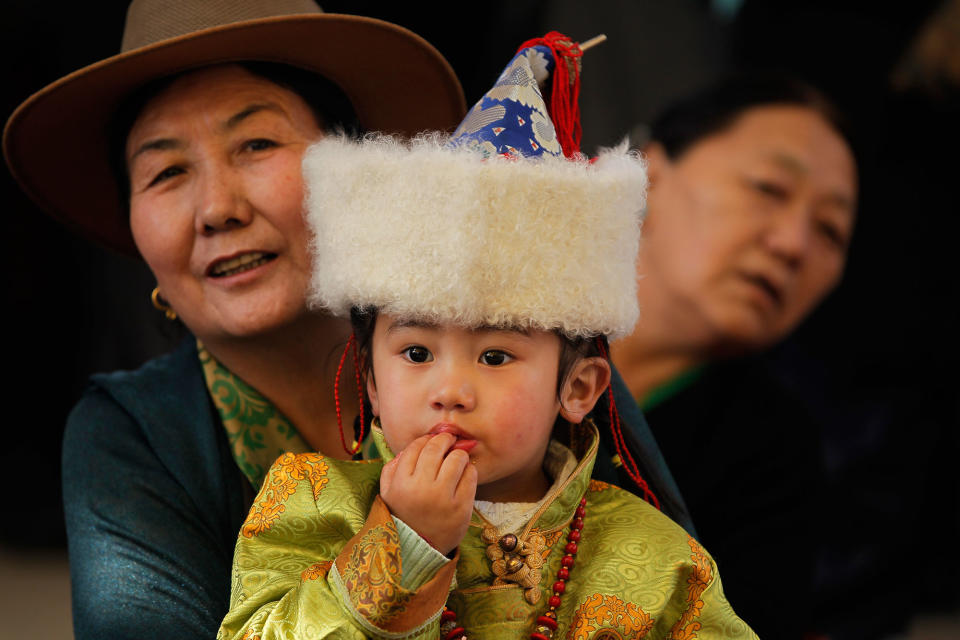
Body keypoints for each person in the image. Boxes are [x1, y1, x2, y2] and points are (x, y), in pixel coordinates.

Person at [219, 36, 754, 640]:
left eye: (495, 355)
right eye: (416, 353)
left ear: (578, 387)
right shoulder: (314, 505)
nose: (450, 390)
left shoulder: (657, 557)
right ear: (369, 377)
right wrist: (405, 547)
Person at [2, 1, 466, 638]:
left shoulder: (514, 351)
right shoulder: (134, 436)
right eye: (166, 172)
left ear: (356, 172)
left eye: (257, 143)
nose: (216, 209)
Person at [611, 76, 859, 635]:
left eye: (830, 230)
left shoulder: (778, 455)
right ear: (649, 172)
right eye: (769, 188)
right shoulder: (493, 320)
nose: (793, 244)